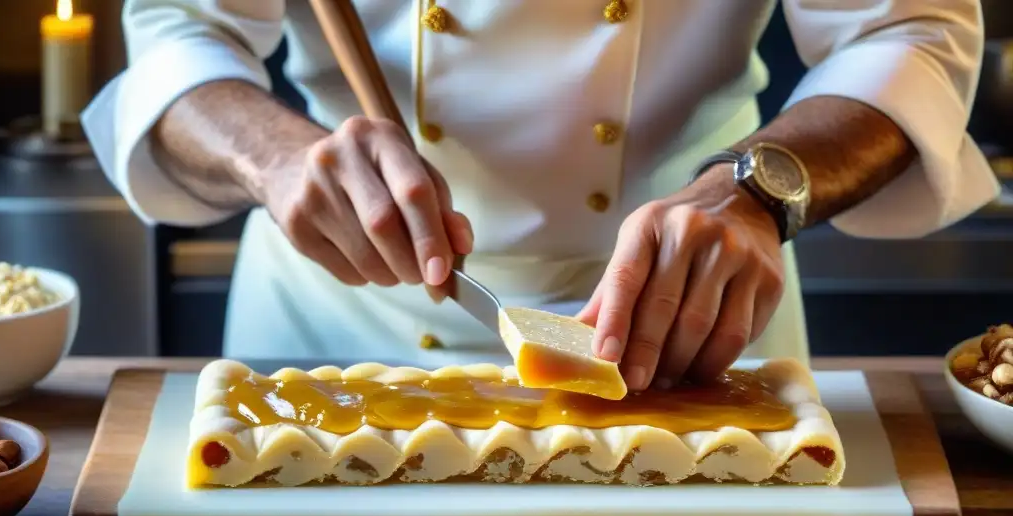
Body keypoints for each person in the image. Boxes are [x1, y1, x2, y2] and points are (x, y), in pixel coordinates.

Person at [83, 0, 998, 389]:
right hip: (337, 334)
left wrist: (754, 193)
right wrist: (278, 158)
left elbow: (908, 30)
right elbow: (178, 30)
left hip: (693, 328)